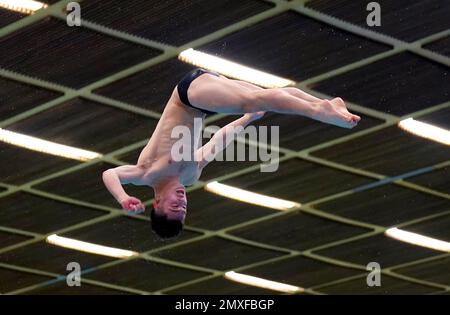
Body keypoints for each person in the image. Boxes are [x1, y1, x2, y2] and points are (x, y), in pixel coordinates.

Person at [102, 68, 361, 239]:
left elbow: (110, 173)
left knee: (256, 99)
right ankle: (321, 103)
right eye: (184, 208)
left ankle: (318, 111)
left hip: (187, 96)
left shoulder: (148, 173)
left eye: (174, 206)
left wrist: (123, 198)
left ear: (157, 204)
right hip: (204, 100)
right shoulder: (190, 174)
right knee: (262, 96)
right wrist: (246, 121)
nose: (182, 202)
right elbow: (218, 140)